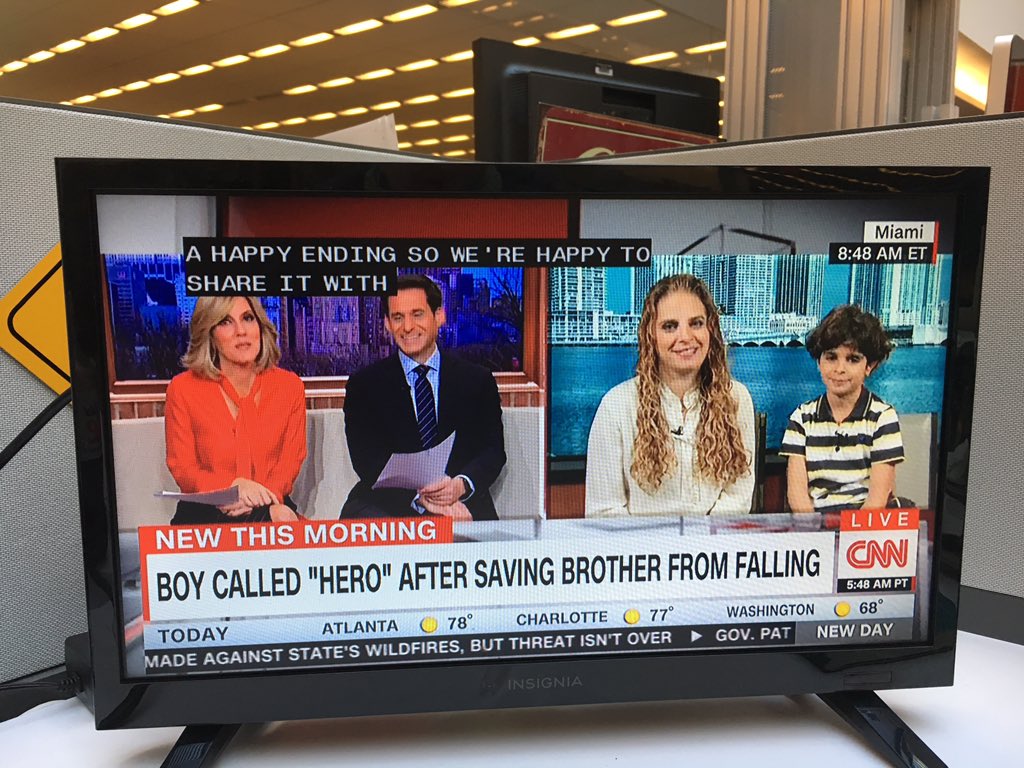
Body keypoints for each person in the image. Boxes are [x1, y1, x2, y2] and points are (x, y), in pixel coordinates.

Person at [585, 274, 755, 517]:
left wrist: (698, 539)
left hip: (713, 540)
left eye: (696, 323)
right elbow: (604, 510)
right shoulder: (616, 406)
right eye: (670, 326)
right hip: (638, 541)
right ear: (651, 336)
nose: (685, 337)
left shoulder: (736, 398)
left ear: (711, 330)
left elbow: (738, 498)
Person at [341, 274, 506, 521]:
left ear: (439, 316)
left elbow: (492, 451)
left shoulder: (477, 380)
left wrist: (460, 485)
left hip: (461, 502)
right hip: (389, 505)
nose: (407, 327)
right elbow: (368, 462)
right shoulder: (364, 386)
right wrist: (421, 499)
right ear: (387, 323)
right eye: (398, 317)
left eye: (417, 314)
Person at [165, 296, 307, 524]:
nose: (241, 331)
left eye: (248, 318)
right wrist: (231, 490)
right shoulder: (183, 389)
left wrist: (257, 498)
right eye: (225, 322)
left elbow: (289, 464)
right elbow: (184, 469)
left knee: (282, 518)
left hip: (270, 503)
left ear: (260, 326)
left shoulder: (289, 387)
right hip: (206, 509)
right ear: (210, 333)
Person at [779, 305, 903, 513]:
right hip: (815, 526)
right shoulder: (801, 419)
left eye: (853, 359)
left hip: (866, 526)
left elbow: (876, 501)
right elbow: (798, 498)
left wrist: (848, 533)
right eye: (831, 357)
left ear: (869, 366)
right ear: (818, 362)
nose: (839, 369)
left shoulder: (883, 418)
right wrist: (816, 530)